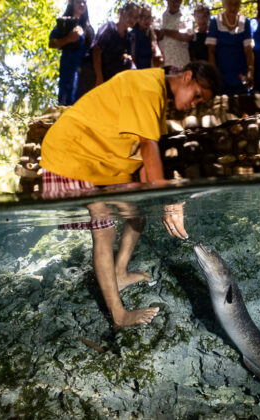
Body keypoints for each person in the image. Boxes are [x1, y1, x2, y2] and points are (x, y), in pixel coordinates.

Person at [40, 62, 220, 329]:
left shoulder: (157, 97)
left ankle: (120, 272)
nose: (194, 104)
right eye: (196, 95)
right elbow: (149, 148)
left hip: (101, 163)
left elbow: (146, 167)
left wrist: (159, 200)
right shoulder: (148, 87)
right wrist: (168, 199)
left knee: (137, 214)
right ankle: (118, 316)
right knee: (104, 229)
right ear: (187, 77)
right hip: (73, 153)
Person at [49, 0, 94, 105]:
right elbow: (52, 43)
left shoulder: (88, 28)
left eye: (84, 2)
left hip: (85, 72)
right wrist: (68, 39)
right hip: (68, 67)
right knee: (66, 102)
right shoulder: (64, 23)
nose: (82, 5)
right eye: (79, 2)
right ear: (72, 4)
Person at [206, 0, 254, 95]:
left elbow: (249, 51)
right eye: (230, 3)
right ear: (224, 3)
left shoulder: (246, 22)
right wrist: (214, 75)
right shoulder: (215, 21)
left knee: (242, 102)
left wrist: (250, 72)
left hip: (241, 73)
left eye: (236, 3)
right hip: (221, 74)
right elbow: (211, 52)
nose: (233, 7)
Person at [93, 2, 139, 87]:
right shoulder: (109, 28)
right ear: (120, 12)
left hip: (112, 79)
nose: (132, 19)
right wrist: (99, 78)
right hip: (97, 75)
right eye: (130, 14)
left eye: (136, 17)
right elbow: (96, 52)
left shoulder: (128, 37)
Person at [157, 0, 192, 68]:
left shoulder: (187, 18)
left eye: (178, 1)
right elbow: (155, 36)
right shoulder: (159, 17)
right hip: (164, 63)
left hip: (182, 63)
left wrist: (165, 32)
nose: (176, 3)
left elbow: (187, 37)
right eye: (173, 1)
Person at [132, 4, 162, 69]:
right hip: (137, 73)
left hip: (147, 71)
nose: (146, 20)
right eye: (143, 17)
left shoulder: (150, 34)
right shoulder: (134, 34)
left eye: (149, 17)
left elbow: (158, 56)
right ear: (138, 18)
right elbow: (132, 58)